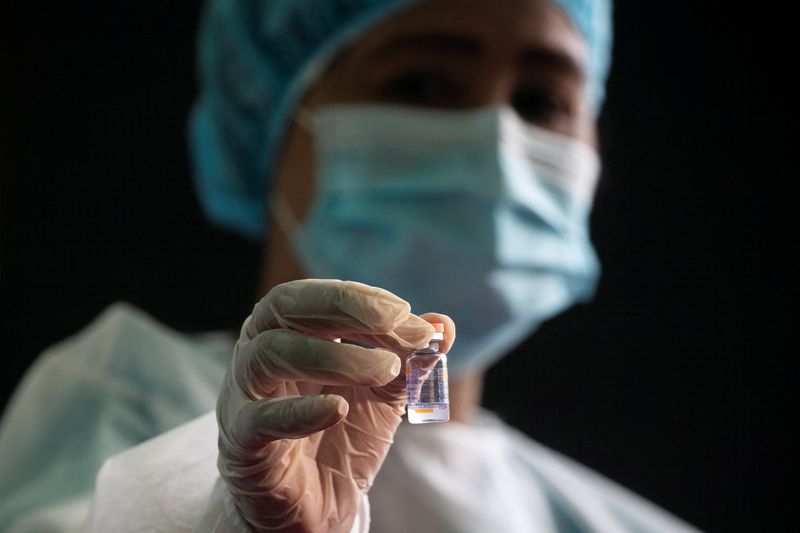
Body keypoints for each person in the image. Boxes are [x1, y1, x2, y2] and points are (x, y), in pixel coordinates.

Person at [0, 0, 701, 531]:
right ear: (274, 120)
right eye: (424, 84)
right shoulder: (126, 396)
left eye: (543, 100)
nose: (496, 141)